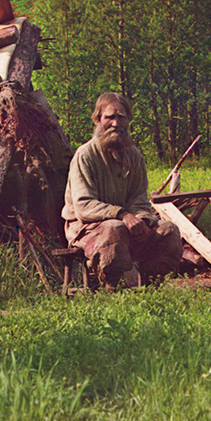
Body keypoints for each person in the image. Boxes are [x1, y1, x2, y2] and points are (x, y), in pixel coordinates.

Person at [63, 92, 184, 288]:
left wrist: (142, 220)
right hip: (85, 227)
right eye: (109, 117)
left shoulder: (134, 156)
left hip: (126, 224)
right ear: (98, 119)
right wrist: (122, 215)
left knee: (168, 230)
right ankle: (115, 287)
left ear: (128, 121)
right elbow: (83, 206)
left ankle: (147, 285)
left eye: (121, 117)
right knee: (114, 228)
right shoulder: (85, 155)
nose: (115, 123)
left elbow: (140, 199)